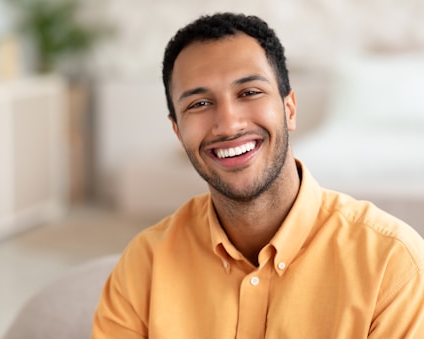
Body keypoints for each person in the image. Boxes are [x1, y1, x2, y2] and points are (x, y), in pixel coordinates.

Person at [92, 12, 424, 338]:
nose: (229, 124)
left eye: (249, 92)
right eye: (199, 104)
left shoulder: (391, 263)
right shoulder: (143, 265)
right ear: (178, 131)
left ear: (289, 109)